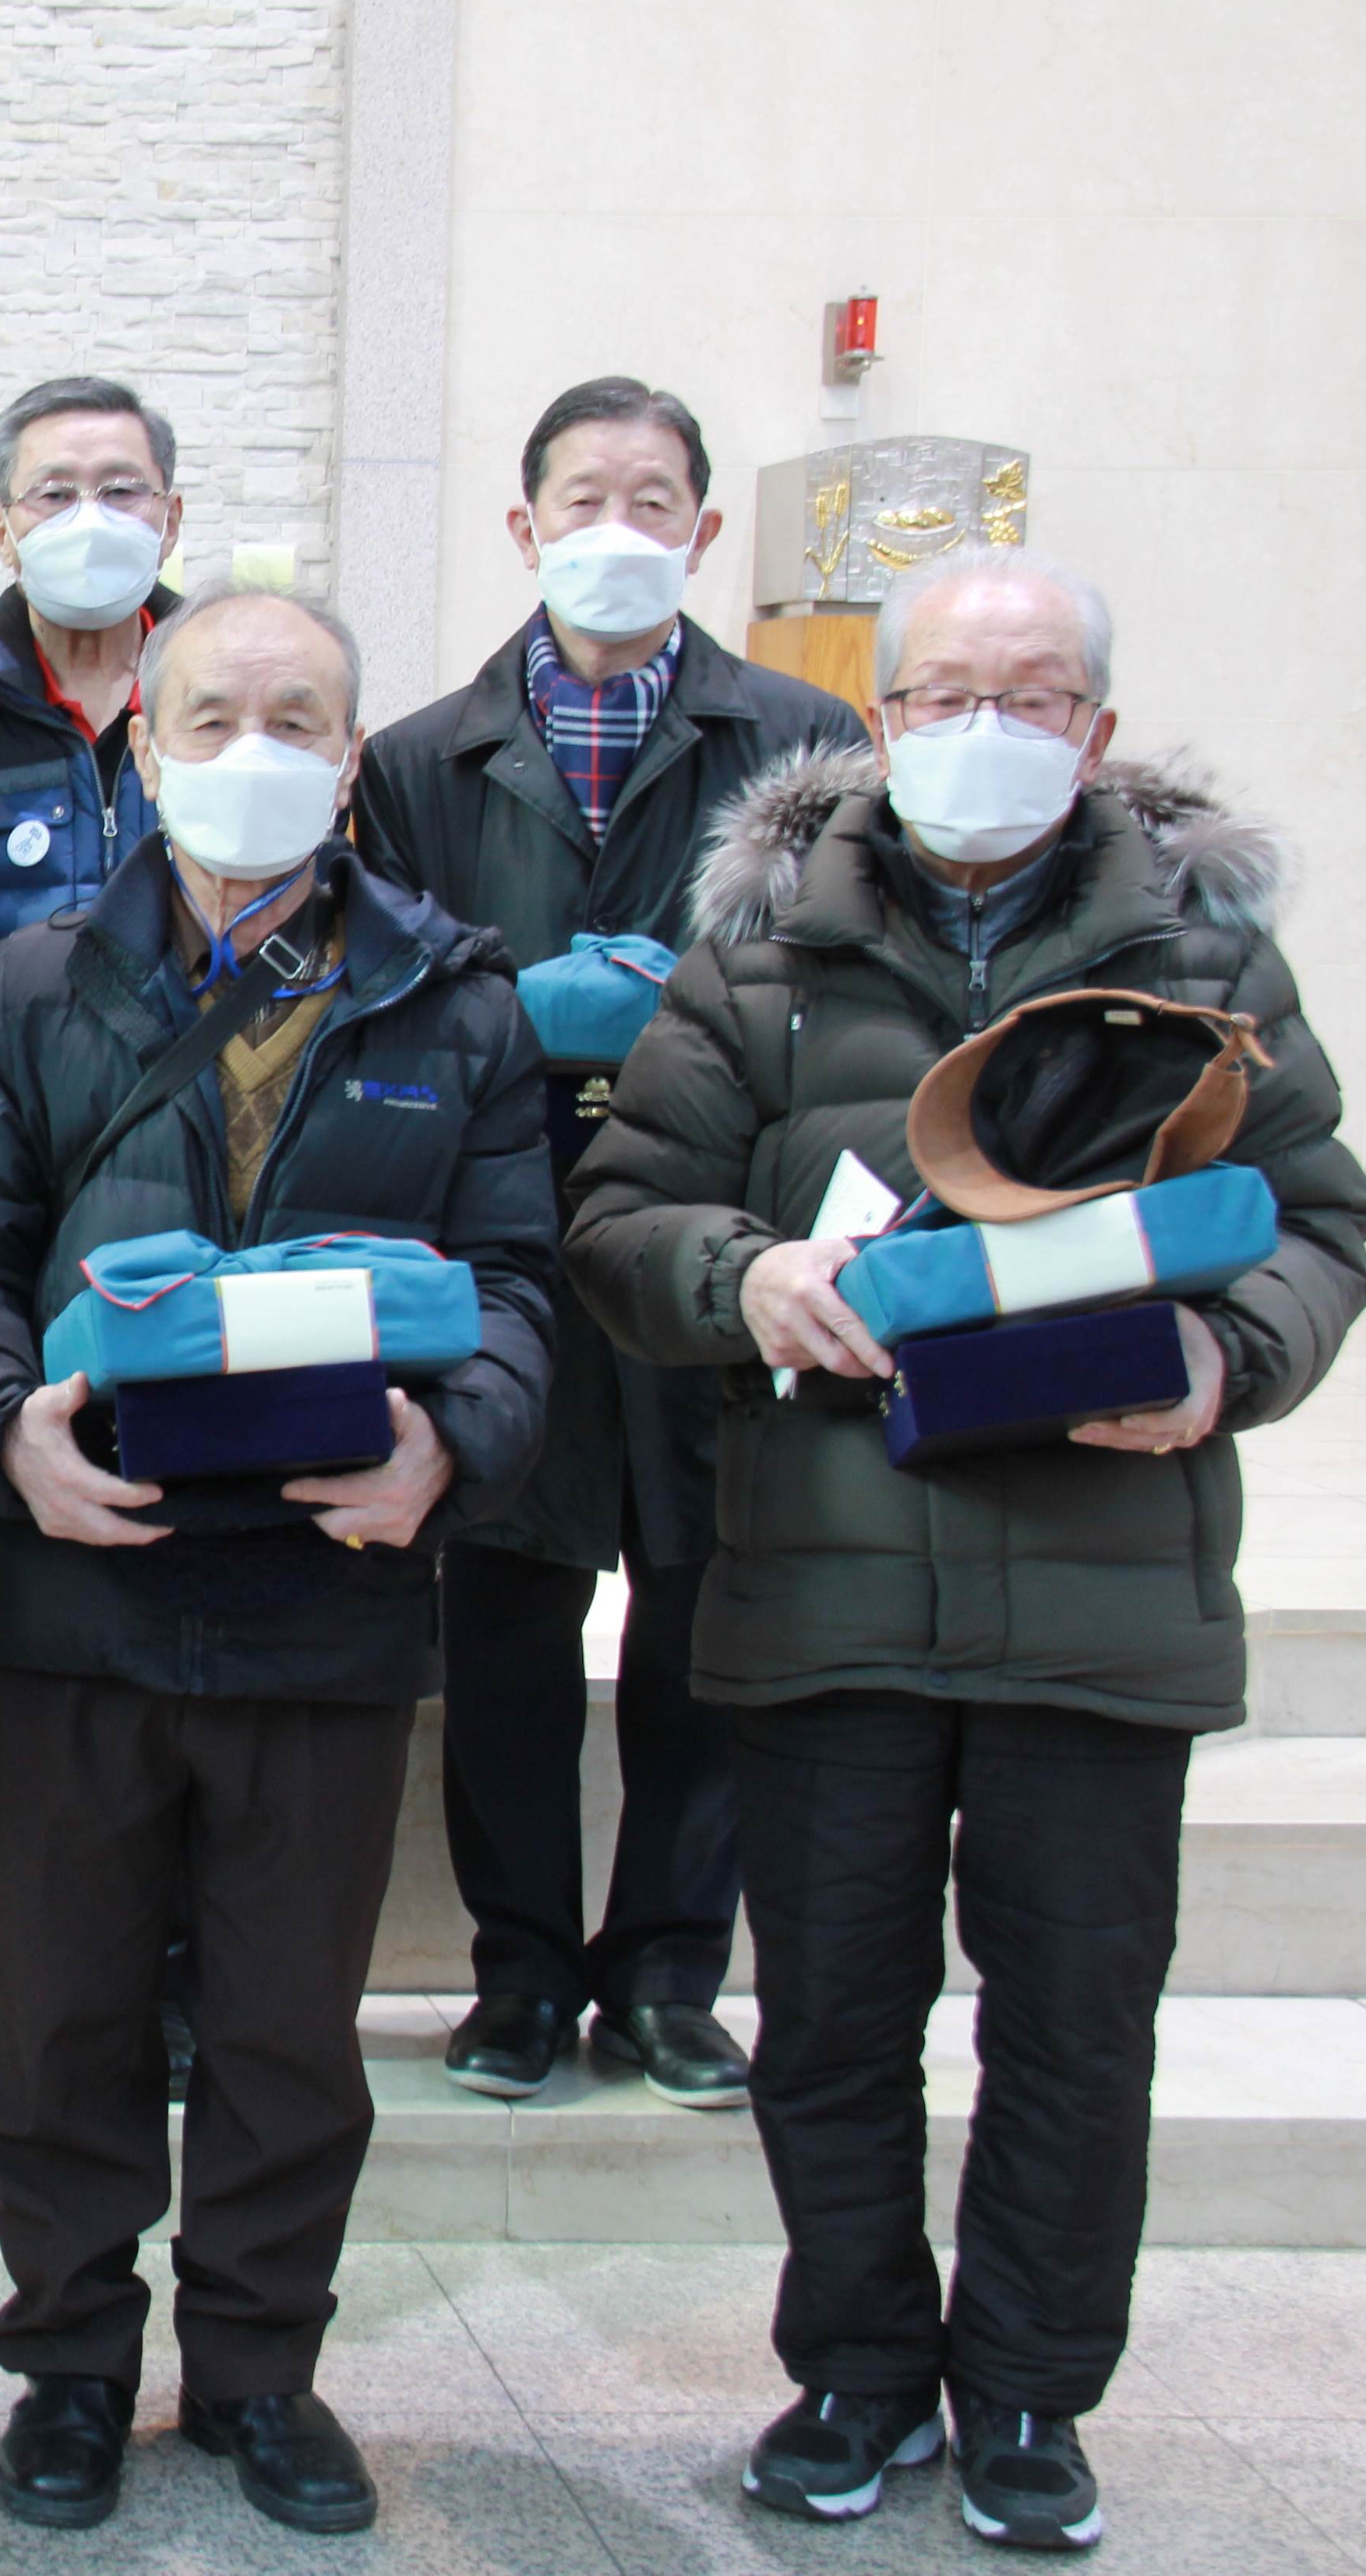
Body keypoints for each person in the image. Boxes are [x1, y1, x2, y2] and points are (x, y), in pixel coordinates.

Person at [565, 548, 1366, 2550]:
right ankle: (855, 2370)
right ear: (883, 717)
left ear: (1096, 730)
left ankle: (1027, 2393)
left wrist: (1230, 1354)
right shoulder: (761, 956)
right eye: (942, 696)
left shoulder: (1206, 957)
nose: (981, 731)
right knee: (833, 2020)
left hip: (1103, 1588)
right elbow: (622, 1218)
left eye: (1028, 697)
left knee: (1078, 2029)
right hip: (829, 1580)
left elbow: (1319, 1223)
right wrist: (744, 1279)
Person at [0, 584, 556, 2538]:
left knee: (283, 2030)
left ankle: (260, 2371)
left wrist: (455, 1442)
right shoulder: (30, 989)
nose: (252, 752)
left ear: (350, 763)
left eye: (297, 720)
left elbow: (519, 1283)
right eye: (212, 718)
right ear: (146, 748)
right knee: (64, 2021)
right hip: (71, 1594)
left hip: (324, 1596)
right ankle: (72, 2370)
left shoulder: (454, 1000)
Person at [352, 375, 870, 2108]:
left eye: (653, 502)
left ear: (703, 531)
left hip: (716, 1226)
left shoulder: (803, 742)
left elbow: (836, 992)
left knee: (702, 1601)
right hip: (508, 1220)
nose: (616, 531)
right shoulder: (421, 759)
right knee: (506, 1604)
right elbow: (394, 985)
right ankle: (516, 1971)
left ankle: (666, 1968)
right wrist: (521, 1006)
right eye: (583, 500)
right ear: (525, 526)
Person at [0, 374, 191, 2100]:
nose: (91, 518)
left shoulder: (225, 705)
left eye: (123, 488)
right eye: (56, 490)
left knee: (188, 1585)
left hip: (195, 1229)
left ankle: (171, 1965)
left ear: (173, 518)